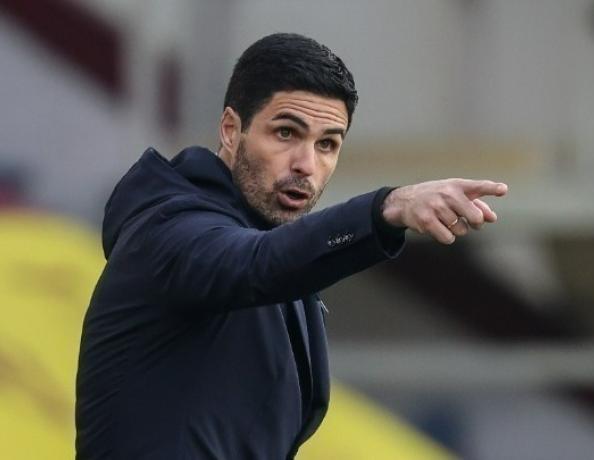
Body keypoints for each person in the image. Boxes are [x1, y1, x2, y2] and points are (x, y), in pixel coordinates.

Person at [75, 33, 508, 459]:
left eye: (327, 144)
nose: (306, 165)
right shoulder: (167, 229)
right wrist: (386, 208)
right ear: (231, 130)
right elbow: (254, 264)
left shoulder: (274, 248)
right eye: (285, 133)